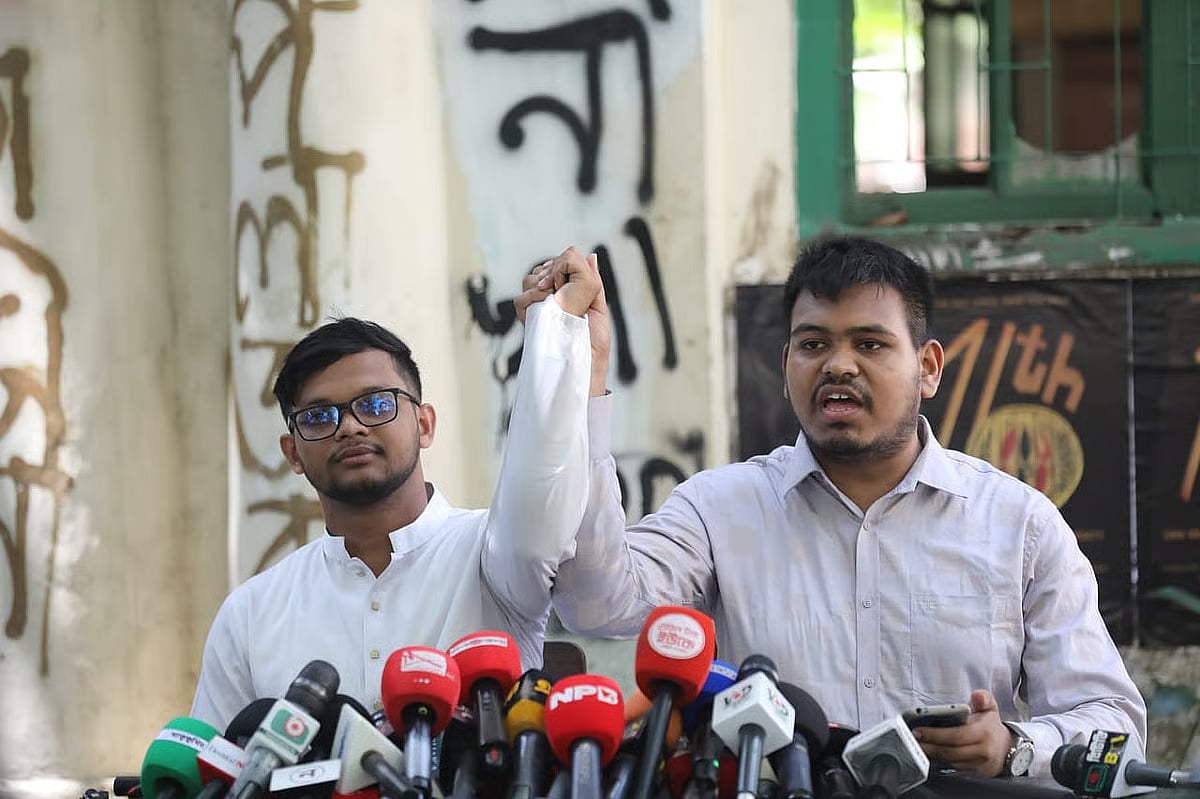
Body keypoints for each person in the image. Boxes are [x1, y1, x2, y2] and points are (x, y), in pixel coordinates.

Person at [533, 237, 1147, 779]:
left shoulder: (1021, 526)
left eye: (870, 343)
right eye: (814, 343)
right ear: (787, 365)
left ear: (928, 368)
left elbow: (1112, 721)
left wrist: (1013, 746)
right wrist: (581, 375)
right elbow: (593, 604)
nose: (839, 365)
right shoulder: (718, 510)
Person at [190, 248, 606, 729]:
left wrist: (554, 332)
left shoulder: (493, 555)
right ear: (293, 453)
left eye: (375, 404)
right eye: (320, 416)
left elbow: (542, 487)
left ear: (425, 424)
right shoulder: (252, 614)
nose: (350, 427)